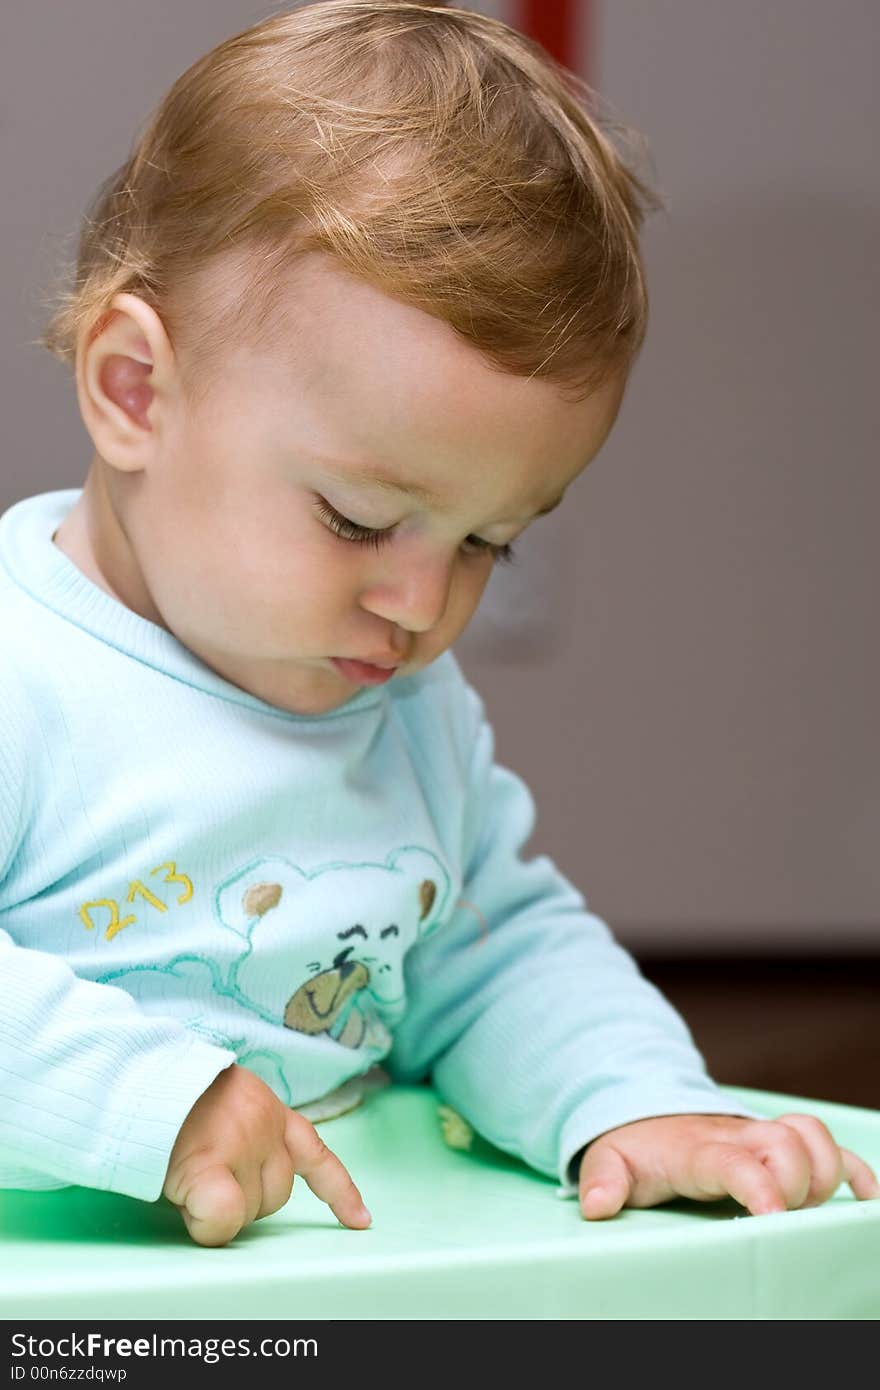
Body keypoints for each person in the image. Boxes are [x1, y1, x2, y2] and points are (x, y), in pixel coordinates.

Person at [1, 1, 876, 1250]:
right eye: (359, 519)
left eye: (486, 539)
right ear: (135, 390)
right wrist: (156, 1105)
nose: (423, 606)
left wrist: (631, 1103)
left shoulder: (402, 710)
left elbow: (490, 951)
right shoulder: (25, 674)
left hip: (331, 1273)